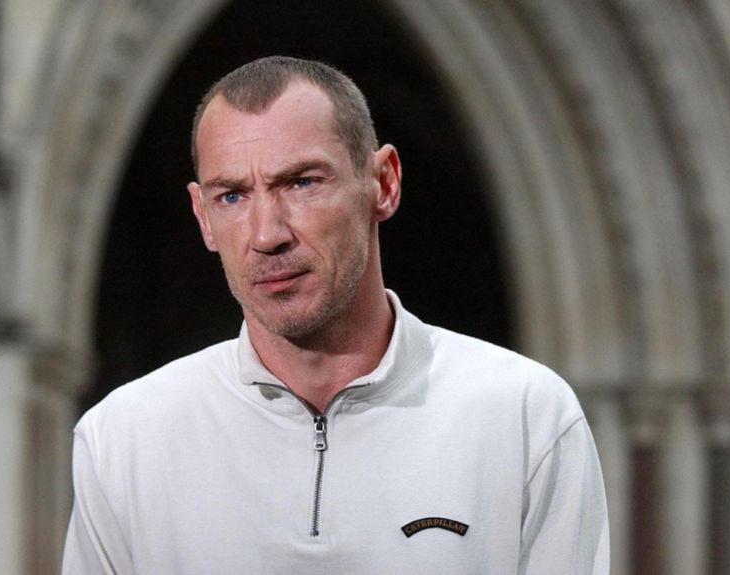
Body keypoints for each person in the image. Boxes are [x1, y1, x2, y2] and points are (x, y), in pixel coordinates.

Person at [62, 55, 609, 574]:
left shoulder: (525, 417)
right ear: (202, 216)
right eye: (231, 196)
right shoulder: (123, 439)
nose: (267, 234)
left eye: (301, 182)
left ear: (384, 183)